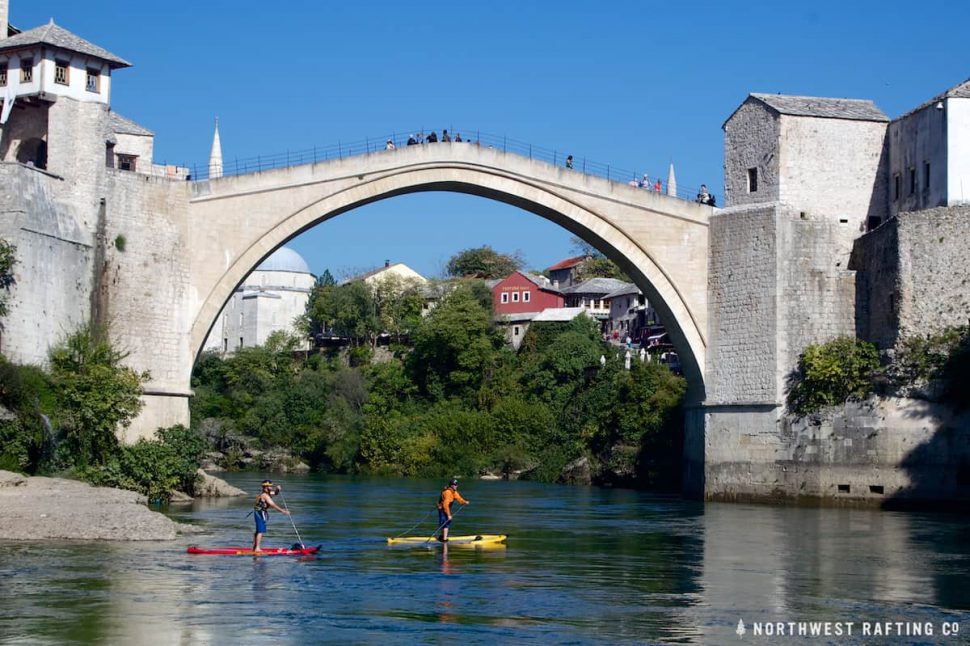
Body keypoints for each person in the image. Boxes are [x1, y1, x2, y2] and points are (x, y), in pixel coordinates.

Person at [252, 479, 289, 553]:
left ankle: (255, 547)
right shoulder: (265, 495)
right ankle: (257, 548)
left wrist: (278, 490)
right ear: (266, 487)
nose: (271, 487)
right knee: (260, 531)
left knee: (259, 530)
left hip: (259, 513)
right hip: (260, 513)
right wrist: (283, 511)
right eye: (270, 486)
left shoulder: (268, 493)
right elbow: (273, 505)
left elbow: (275, 493)